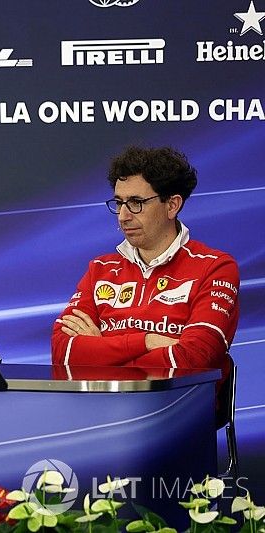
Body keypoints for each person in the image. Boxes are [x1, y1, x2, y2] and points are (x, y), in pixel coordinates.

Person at [51, 146, 239, 412]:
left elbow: (194, 360)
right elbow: (64, 354)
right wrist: (147, 341)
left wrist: (101, 350)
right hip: (99, 413)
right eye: (119, 203)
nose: (124, 216)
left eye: (136, 203)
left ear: (172, 204)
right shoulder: (100, 268)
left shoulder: (216, 267)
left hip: (177, 413)